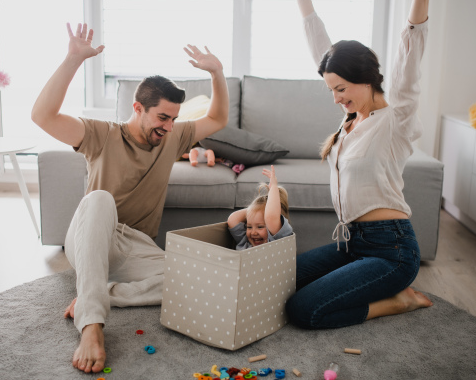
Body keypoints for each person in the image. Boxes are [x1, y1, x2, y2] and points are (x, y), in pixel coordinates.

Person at [286, 0, 476, 329]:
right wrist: (303, 4)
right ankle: (367, 285)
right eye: (331, 90)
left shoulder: (395, 120)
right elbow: (325, 56)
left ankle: (398, 301)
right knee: (276, 281)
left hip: (392, 250)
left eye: (341, 89)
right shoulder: (349, 120)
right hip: (352, 244)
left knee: (303, 310)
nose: (335, 98)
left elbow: (410, 57)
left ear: (365, 80)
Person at [31, 23, 229, 373]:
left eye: (174, 119)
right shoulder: (101, 134)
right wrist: (73, 59)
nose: (169, 127)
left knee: (198, 277)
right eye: (162, 117)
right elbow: (42, 116)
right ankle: (92, 325)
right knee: (99, 199)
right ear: (138, 108)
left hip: (136, 247)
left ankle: (103, 294)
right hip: (94, 239)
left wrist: (217, 72)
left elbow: (217, 117)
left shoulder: (173, 136)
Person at [227, 165, 293, 250]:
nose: (253, 233)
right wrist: (254, 210)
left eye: (260, 227)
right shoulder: (245, 241)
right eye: (249, 227)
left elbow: (271, 217)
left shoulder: (276, 240)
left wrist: (273, 187)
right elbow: (232, 220)